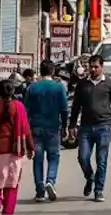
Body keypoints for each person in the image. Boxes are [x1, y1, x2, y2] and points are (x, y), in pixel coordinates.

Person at [68, 55, 111, 202]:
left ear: (101, 66)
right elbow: (76, 106)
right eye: (90, 67)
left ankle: (99, 190)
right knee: (83, 157)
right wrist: (72, 125)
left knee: (102, 160)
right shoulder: (82, 84)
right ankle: (90, 177)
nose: (92, 69)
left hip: (103, 127)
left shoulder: (109, 84)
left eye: (95, 67)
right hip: (85, 128)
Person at [0, 79, 35, 215]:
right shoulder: (18, 106)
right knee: (12, 183)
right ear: (13, 91)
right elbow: (26, 128)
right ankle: (8, 211)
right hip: (14, 151)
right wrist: (30, 147)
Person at [24, 61, 68, 203]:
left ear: (40, 71)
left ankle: (40, 191)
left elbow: (26, 110)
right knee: (54, 157)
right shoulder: (59, 87)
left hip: (35, 128)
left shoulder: (32, 88)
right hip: (53, 127)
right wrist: (66, 126)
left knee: (38, 159)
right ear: (53, 71)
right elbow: (64, 110)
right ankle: (50, 181)